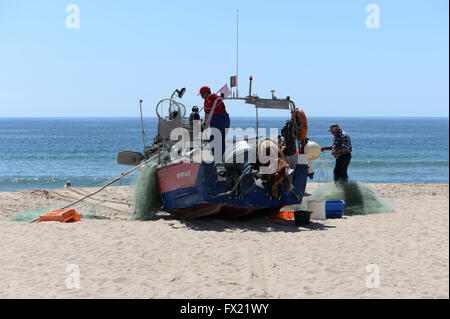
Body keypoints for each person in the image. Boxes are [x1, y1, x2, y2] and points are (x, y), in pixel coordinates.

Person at [198, 86, 230, 159]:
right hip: (226, 118)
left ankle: (214, 160)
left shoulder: (208, 100)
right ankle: (220, 159)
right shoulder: (217, 97)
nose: (201, 97)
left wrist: (204, 125)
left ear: (206, 93)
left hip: (217, 119)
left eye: (202, 95)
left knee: (213, 139)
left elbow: (207, 114)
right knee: (221, 140)